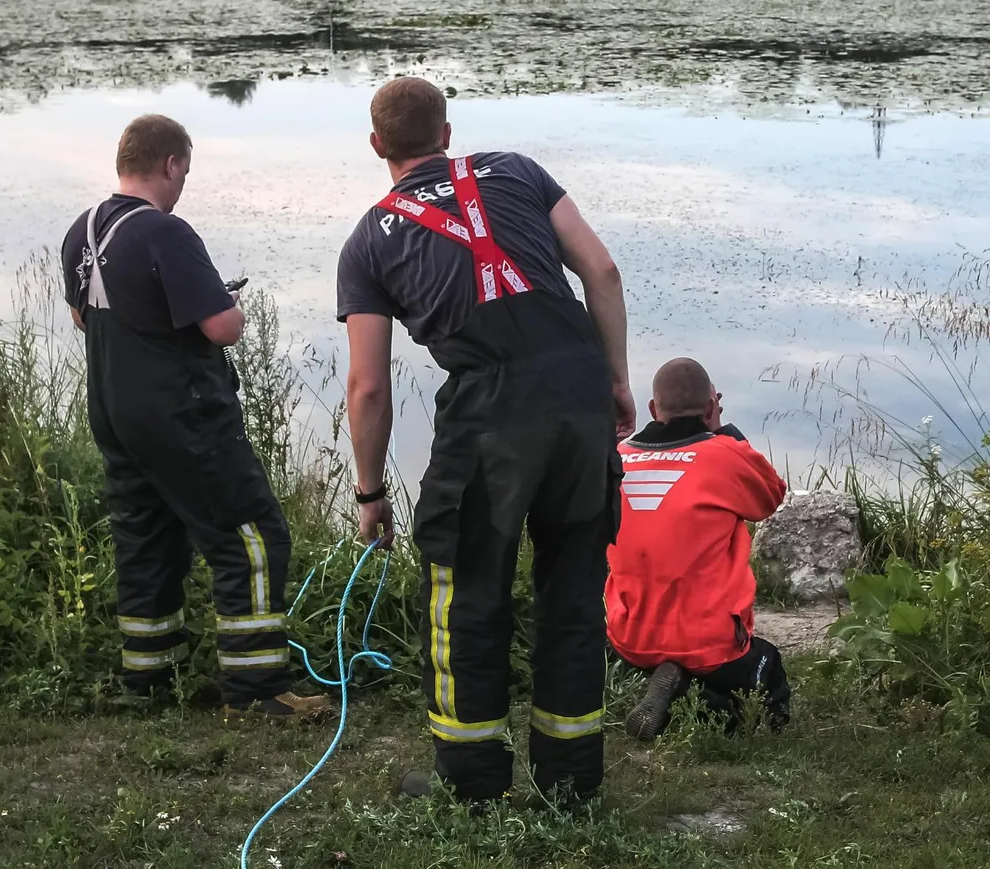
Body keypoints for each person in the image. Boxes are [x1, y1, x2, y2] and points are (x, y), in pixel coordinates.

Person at [336, 77, 633, 803]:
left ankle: (469, 781)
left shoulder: (368, 239)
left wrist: (370, 491)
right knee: (572, 585)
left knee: (465, 587)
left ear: (378, 146)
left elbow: (369, 387)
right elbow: (601, 270)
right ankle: (570, 782)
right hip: (577, 389)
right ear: (446, 132)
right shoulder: (519, 169)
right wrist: (615, 380)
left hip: (489, 409)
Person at [61, 114, 329, 720]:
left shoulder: (82, 230)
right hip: (183, 415)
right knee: (253, 538)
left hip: (116, 413)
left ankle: (151, 678)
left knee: (146, 539)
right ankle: (257, 690)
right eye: (185, 170)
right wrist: (229, 301)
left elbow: (83, 317)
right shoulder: (165, 232)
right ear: (173, 164)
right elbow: (223, 329)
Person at [608, 358, 791, 741]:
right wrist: (723, 431)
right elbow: (771, 496)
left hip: (627, 635)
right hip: (707, 641)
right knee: (766, 667)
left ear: (654, 410)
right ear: (711, 408)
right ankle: (696, 699)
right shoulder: (724, 455)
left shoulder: (618, 458)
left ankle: (660, 675)